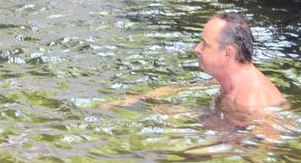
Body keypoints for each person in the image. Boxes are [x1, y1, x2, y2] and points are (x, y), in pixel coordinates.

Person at [104, 11, 285, 113]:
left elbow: (251, 152)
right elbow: (187, 87)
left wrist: (182, 120)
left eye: (205, 44)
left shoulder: (250, 102)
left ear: (228, 53)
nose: (196, 49)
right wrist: (139, 98)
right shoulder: (232, 78)